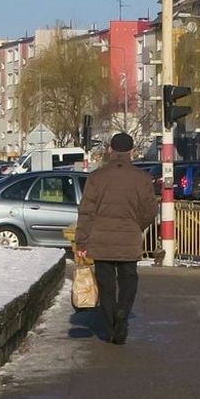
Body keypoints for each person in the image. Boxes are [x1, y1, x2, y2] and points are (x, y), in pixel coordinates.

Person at [74, 133, 158, 344]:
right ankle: (123, 311)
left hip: (101, 241)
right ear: (131, 152)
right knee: (129, 278)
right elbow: (150, 210)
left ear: (110, 150)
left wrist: (82, 241)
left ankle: (111, 323)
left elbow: (86, 212)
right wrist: (137, 225)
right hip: (129, 238)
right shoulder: (142, 178)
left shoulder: (96, 177)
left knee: (106, 283)